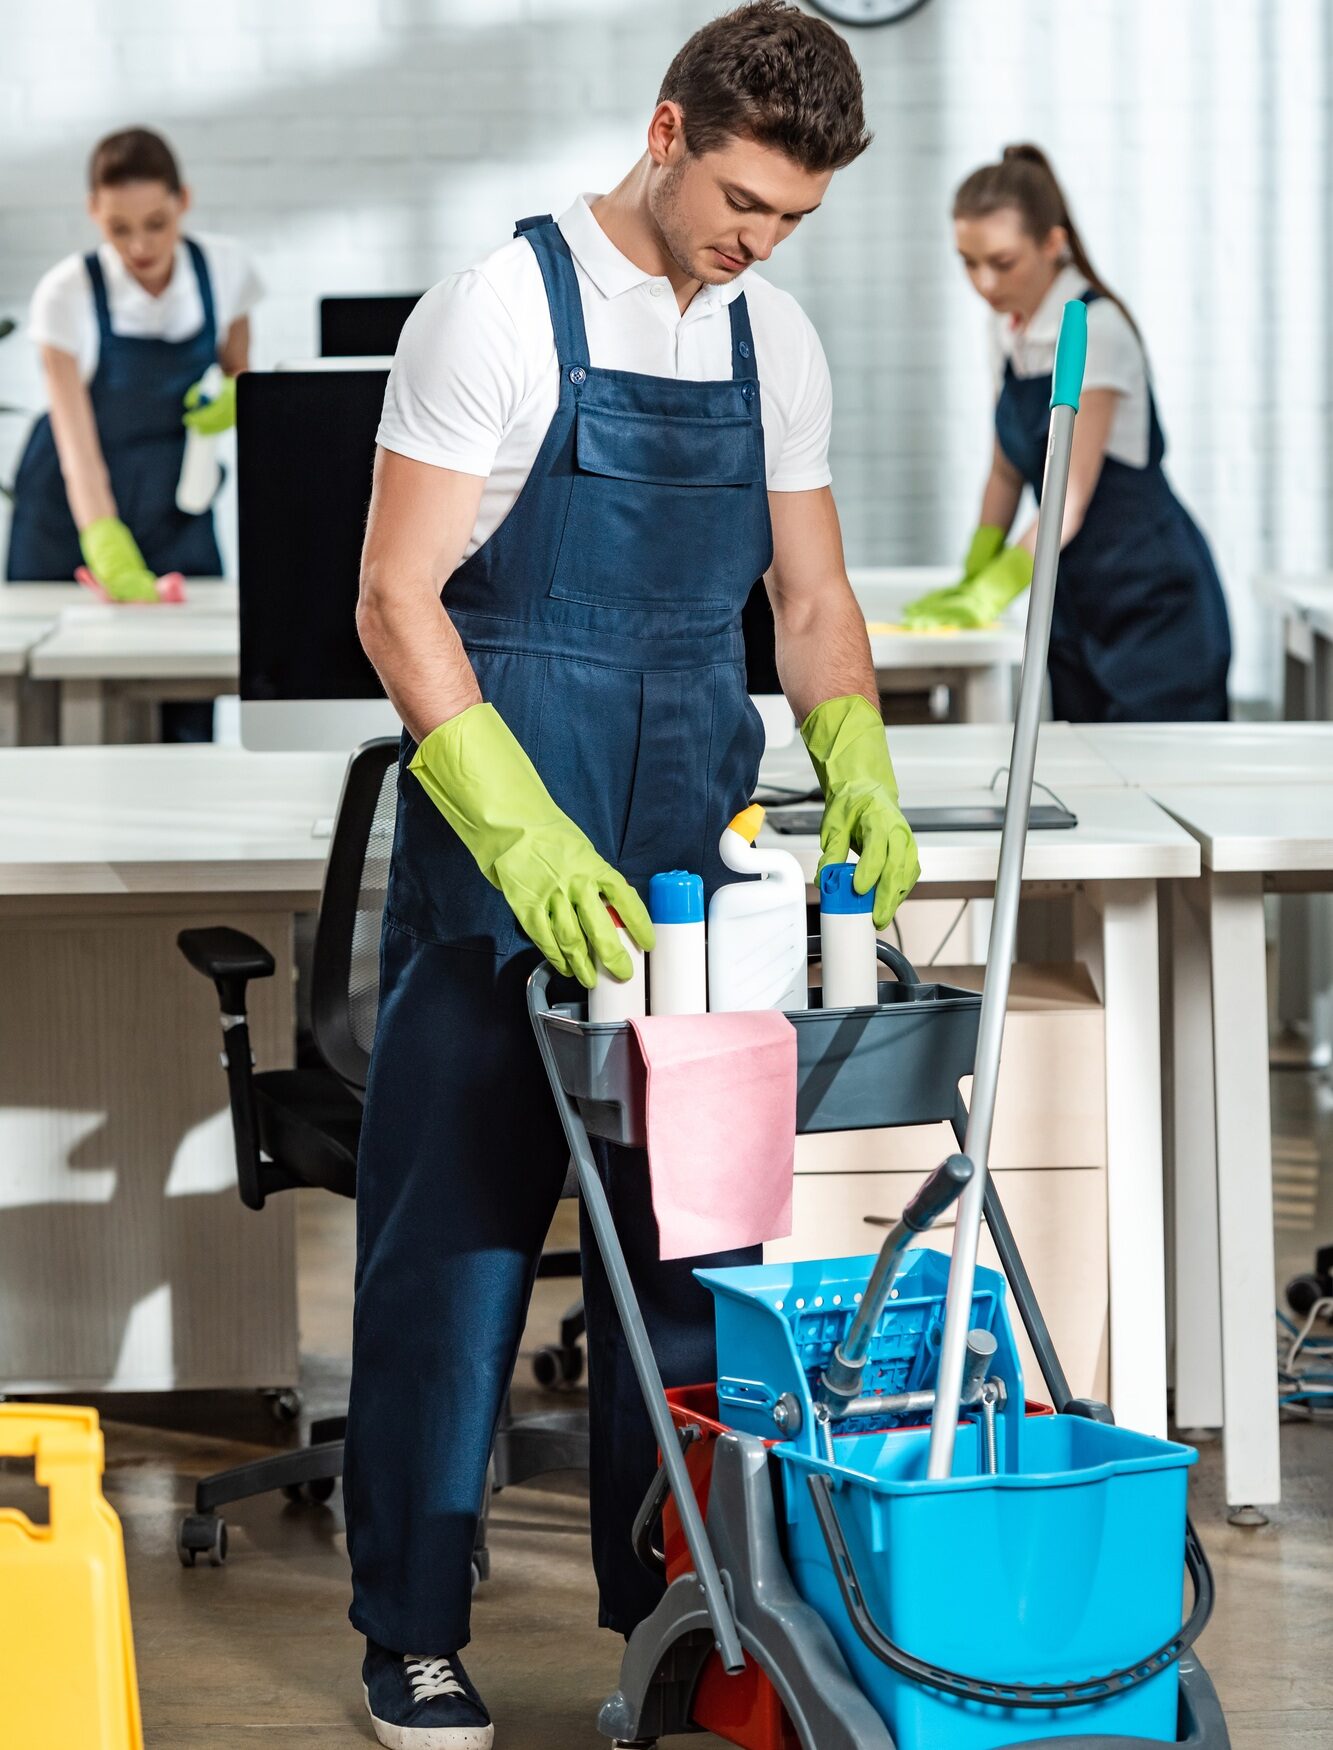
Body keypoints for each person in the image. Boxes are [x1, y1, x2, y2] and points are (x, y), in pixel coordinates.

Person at [346, 5, 919, 1744]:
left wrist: (859, 759)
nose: (760, 238)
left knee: (692, 1249)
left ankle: (671, 1614)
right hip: (500, 830)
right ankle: (412, 1634)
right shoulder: (498, 310)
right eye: (745, 198)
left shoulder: (777, 343)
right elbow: (395, 597)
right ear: (669, 129)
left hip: (693, 845)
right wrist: (518, 838)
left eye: (795, 218)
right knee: (454, 1247)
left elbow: (806, 606)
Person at [904, 143, 1231, 722]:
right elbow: (1007, 467)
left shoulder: (1093, 329)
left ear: (1052, 245)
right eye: (967, 261)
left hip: (1151, 601)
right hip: (1072, 594)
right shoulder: (1005, 329)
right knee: (1082, 780)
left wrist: (994, 591)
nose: (983, 283)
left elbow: (1068, 497)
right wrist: (974, 570)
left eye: (1001, 263)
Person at [6, 126, 260, 739]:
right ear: (94, 210)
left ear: (184, 202)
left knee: (187, 699)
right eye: (120, 228)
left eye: (156, 223)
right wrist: (105, 542)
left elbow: (241, 375)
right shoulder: (65, 294)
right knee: (48, 705)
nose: (140, 245)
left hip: (175, 507)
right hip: (70, 515)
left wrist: (236, 399)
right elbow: (75, 444)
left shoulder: (225, 270)